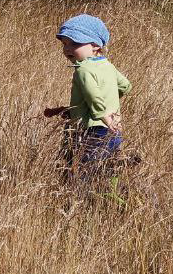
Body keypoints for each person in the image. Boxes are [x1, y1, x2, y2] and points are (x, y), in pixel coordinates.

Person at [43, 14, 132, 179]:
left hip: (90, 131)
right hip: (113, 130)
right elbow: (126, 86)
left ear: (96, 46)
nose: (68, 49)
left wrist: (103, 115)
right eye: (65, 44)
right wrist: (110, 104)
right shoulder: (108, 66)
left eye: (75, 43)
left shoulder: (83, 69)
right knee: (104, 172)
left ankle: (78, 200)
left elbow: (92, 95)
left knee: (79, 173)